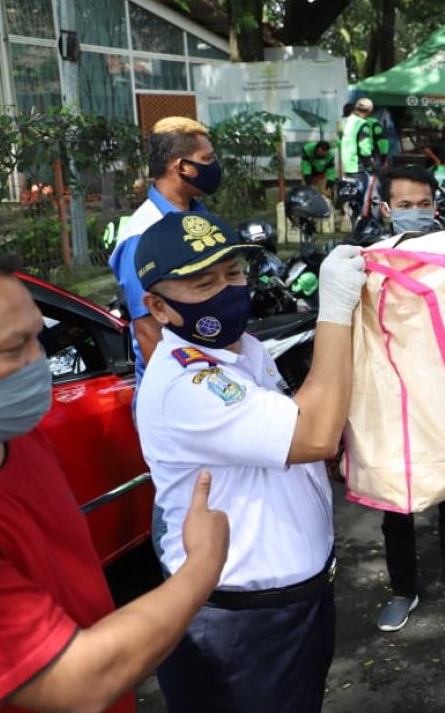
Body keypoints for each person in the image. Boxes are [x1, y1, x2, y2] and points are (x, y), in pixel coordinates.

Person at [0, 250, 230, 713]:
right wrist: (202, 566)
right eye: (10, 350)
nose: (37, 365)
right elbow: (75, 682)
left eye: (38, 340)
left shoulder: (16, 436)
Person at [133, 211, 365, 711]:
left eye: (234, 273)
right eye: (204, 283)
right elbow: (314, 433)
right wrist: (337, 309)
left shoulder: (245, 350)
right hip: (239, 627)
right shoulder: (187, 383)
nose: (228, 290)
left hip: (296, 606)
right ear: (159, 306)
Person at [372, 164, 445, 629]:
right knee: (395, 500)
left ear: (436, 207)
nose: (415, 213)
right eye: (404, 206)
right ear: (386, 209)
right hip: (391, 399)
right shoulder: (370, 260)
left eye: (423, 205)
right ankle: (403, 589)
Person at [109, 116, 217, 382]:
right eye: (208, 159)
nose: (215, 167)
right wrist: (182, 392)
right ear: (183, 168)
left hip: (210, 370)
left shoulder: (197, 215)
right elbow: (148, 330)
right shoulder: (142, 234)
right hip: (180, 389)